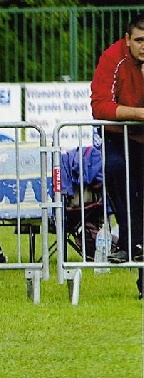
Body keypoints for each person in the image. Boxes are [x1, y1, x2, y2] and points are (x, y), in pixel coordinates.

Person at [90, 13, 144, 297]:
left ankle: (135, 248)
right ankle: (130, 239)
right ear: (127, 40)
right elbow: (99, 107)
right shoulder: (112, 57)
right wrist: (138, 114)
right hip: (118, 136)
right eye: (139, 40)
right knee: (115, 169)